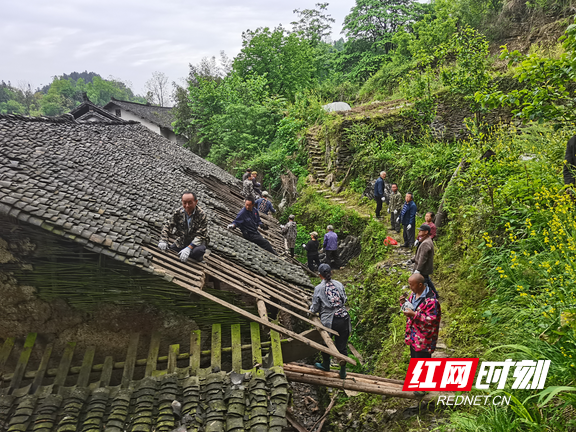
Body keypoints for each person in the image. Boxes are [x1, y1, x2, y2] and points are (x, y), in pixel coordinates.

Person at [310, 264, 351, 379]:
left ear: (319, 275)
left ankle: (326, 364)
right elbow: (345, 299)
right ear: (331, 272)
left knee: (326, 342)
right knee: (342, 345)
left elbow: (315, 307)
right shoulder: (339, 284)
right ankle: (343, 371)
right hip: (343, 318)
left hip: (329, 320)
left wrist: (311, 311)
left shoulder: (319, 288)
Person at [400, 273, 441, 365]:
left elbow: (431, 320)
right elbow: (411, 308)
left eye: (412, 285)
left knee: (423, 366)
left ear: (420, 285)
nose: (410, 287)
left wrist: (414, 314)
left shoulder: (431, 302)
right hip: (413, 337)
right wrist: (403, 304)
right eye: (409, 284)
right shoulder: (413, 295)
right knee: (415, 363)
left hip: (424, 341)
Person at [158, 191, 210, 263]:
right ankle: (188, 254)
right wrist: (163, 239)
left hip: (196, 243)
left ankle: (194, 256)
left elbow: (200, 235)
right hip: (183, 240)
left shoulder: (201, 215)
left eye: (190, 203)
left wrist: (189, 248)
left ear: (196, 202)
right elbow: (168, 225)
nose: (187, 205)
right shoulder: (178, 212)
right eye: (184, 203)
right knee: (170, 249)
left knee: (199, 251)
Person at [412, 224, 439, 298]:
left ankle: (430, 297)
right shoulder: (426, 240)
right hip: (425, 267)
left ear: (426, 232)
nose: (419, 232)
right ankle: (435, 294)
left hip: (424, 268)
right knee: (427, 279)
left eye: (421, 230)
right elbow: (419, 254)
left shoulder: (426, 243)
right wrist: (412, 259)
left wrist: (418, 269)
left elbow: (423, 257)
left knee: (424, 282)